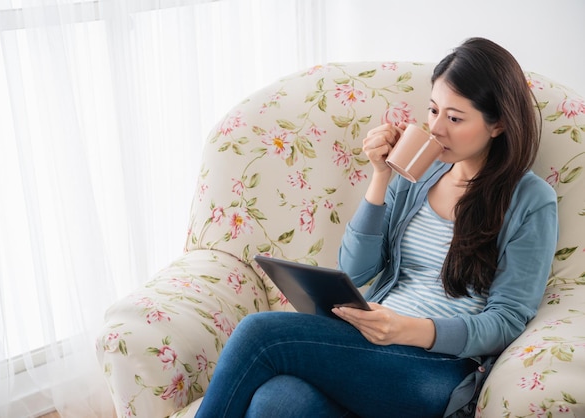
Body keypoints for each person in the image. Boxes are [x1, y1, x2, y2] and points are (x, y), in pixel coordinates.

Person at [195, 37, 558, 418]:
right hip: (371, 349)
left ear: (498, 123)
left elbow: (507, 320)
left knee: (259, 334)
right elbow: (356, 269)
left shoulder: (531, 200)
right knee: (279, 401)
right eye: (433, 110)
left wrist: (405, 330)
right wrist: (381, 176)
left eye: (454, 118)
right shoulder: (419, 169)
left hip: (438, 367)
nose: (436, 128)